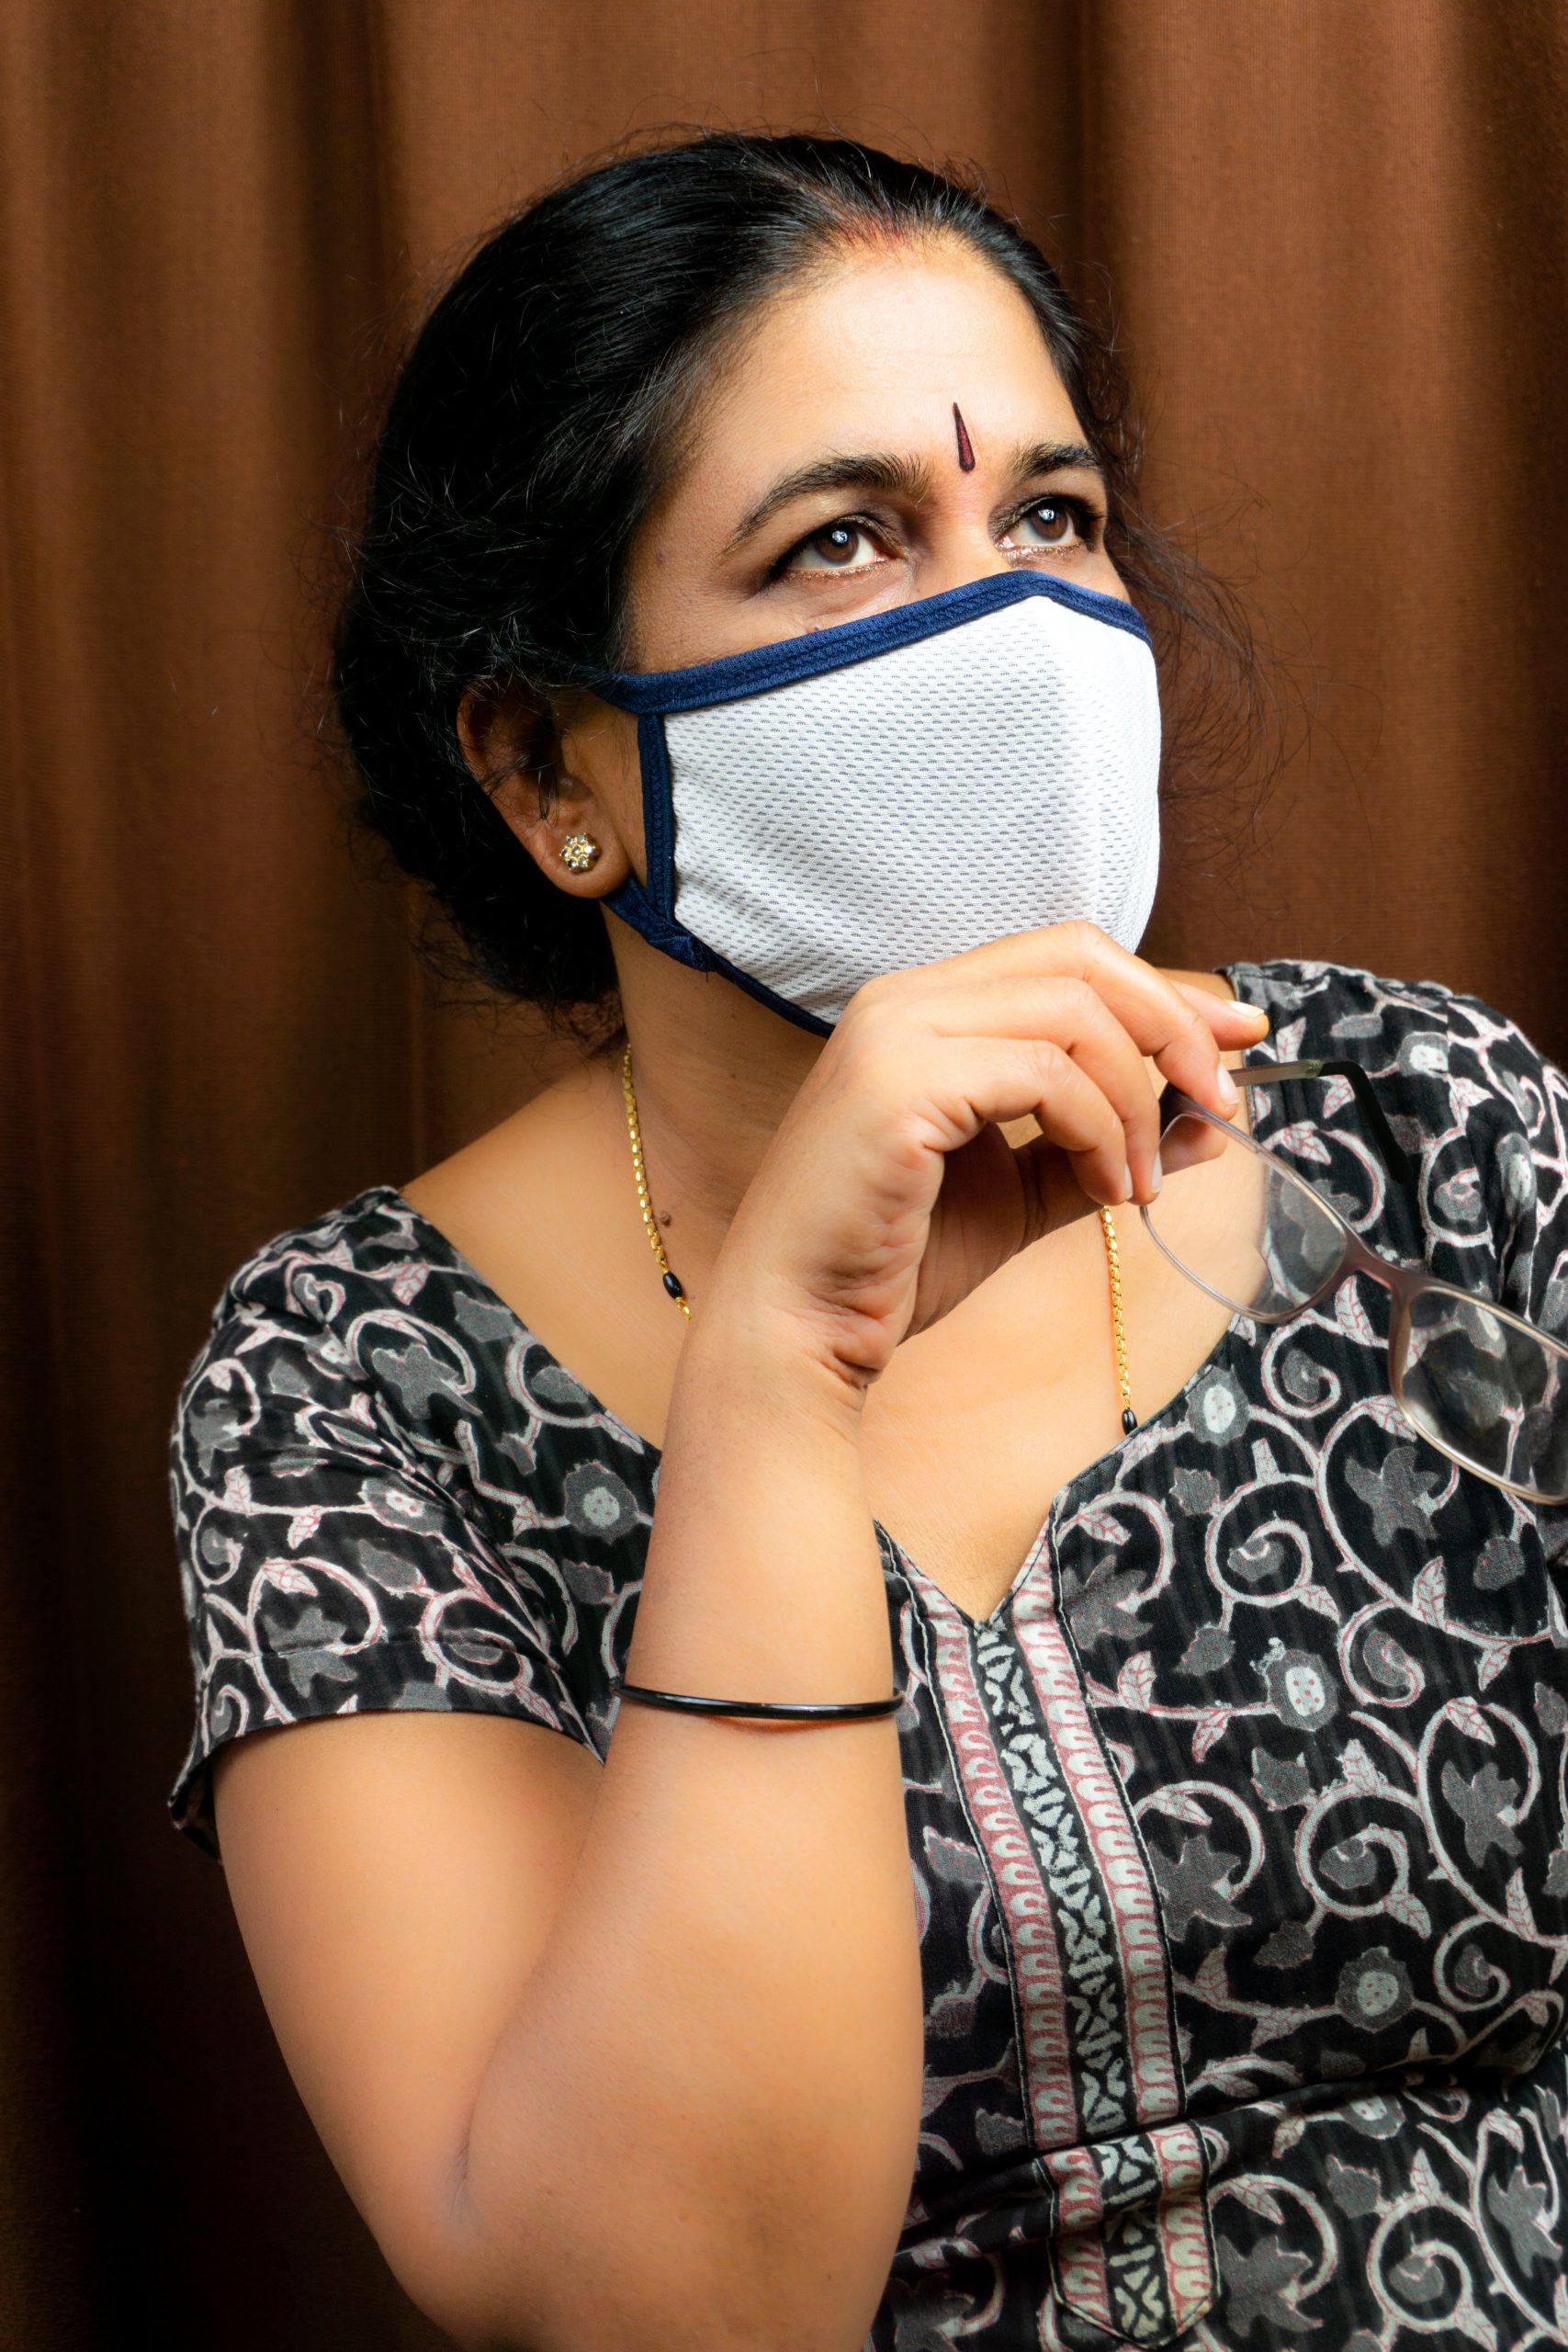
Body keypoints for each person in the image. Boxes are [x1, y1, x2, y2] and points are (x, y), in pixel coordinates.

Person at [166, 133, 1568, 2352]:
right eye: (841, 540)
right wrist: (774, 1384)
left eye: (1046, 516)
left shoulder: (1425, 1135)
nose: (1005, 626)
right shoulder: (356, 1380)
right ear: (551, 764)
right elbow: (652, 2314)